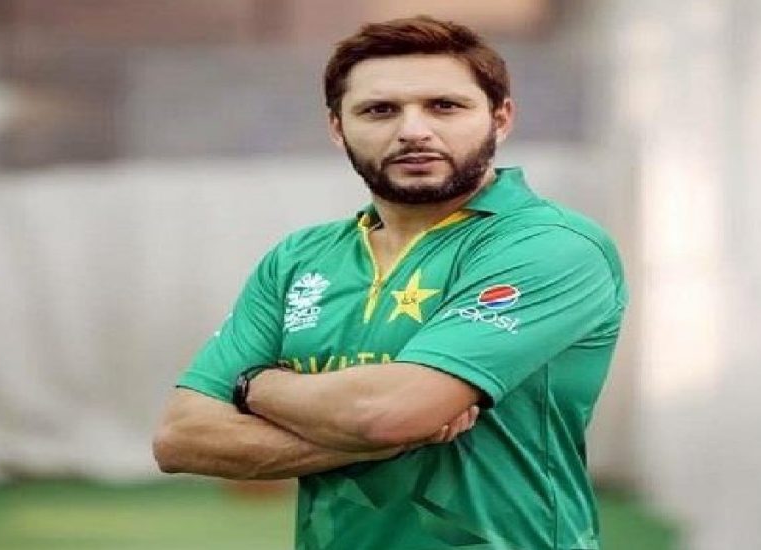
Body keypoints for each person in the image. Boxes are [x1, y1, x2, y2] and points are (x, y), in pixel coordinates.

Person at [153, 15, 628, 550]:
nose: (413, 131)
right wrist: (374, 433)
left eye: (444, 106)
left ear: (501, 118)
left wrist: (255, 386)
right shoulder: (298, 258)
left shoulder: (552, 245)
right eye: (379, 110)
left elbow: (388, 414)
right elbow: (181, 437)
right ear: (337, 127)